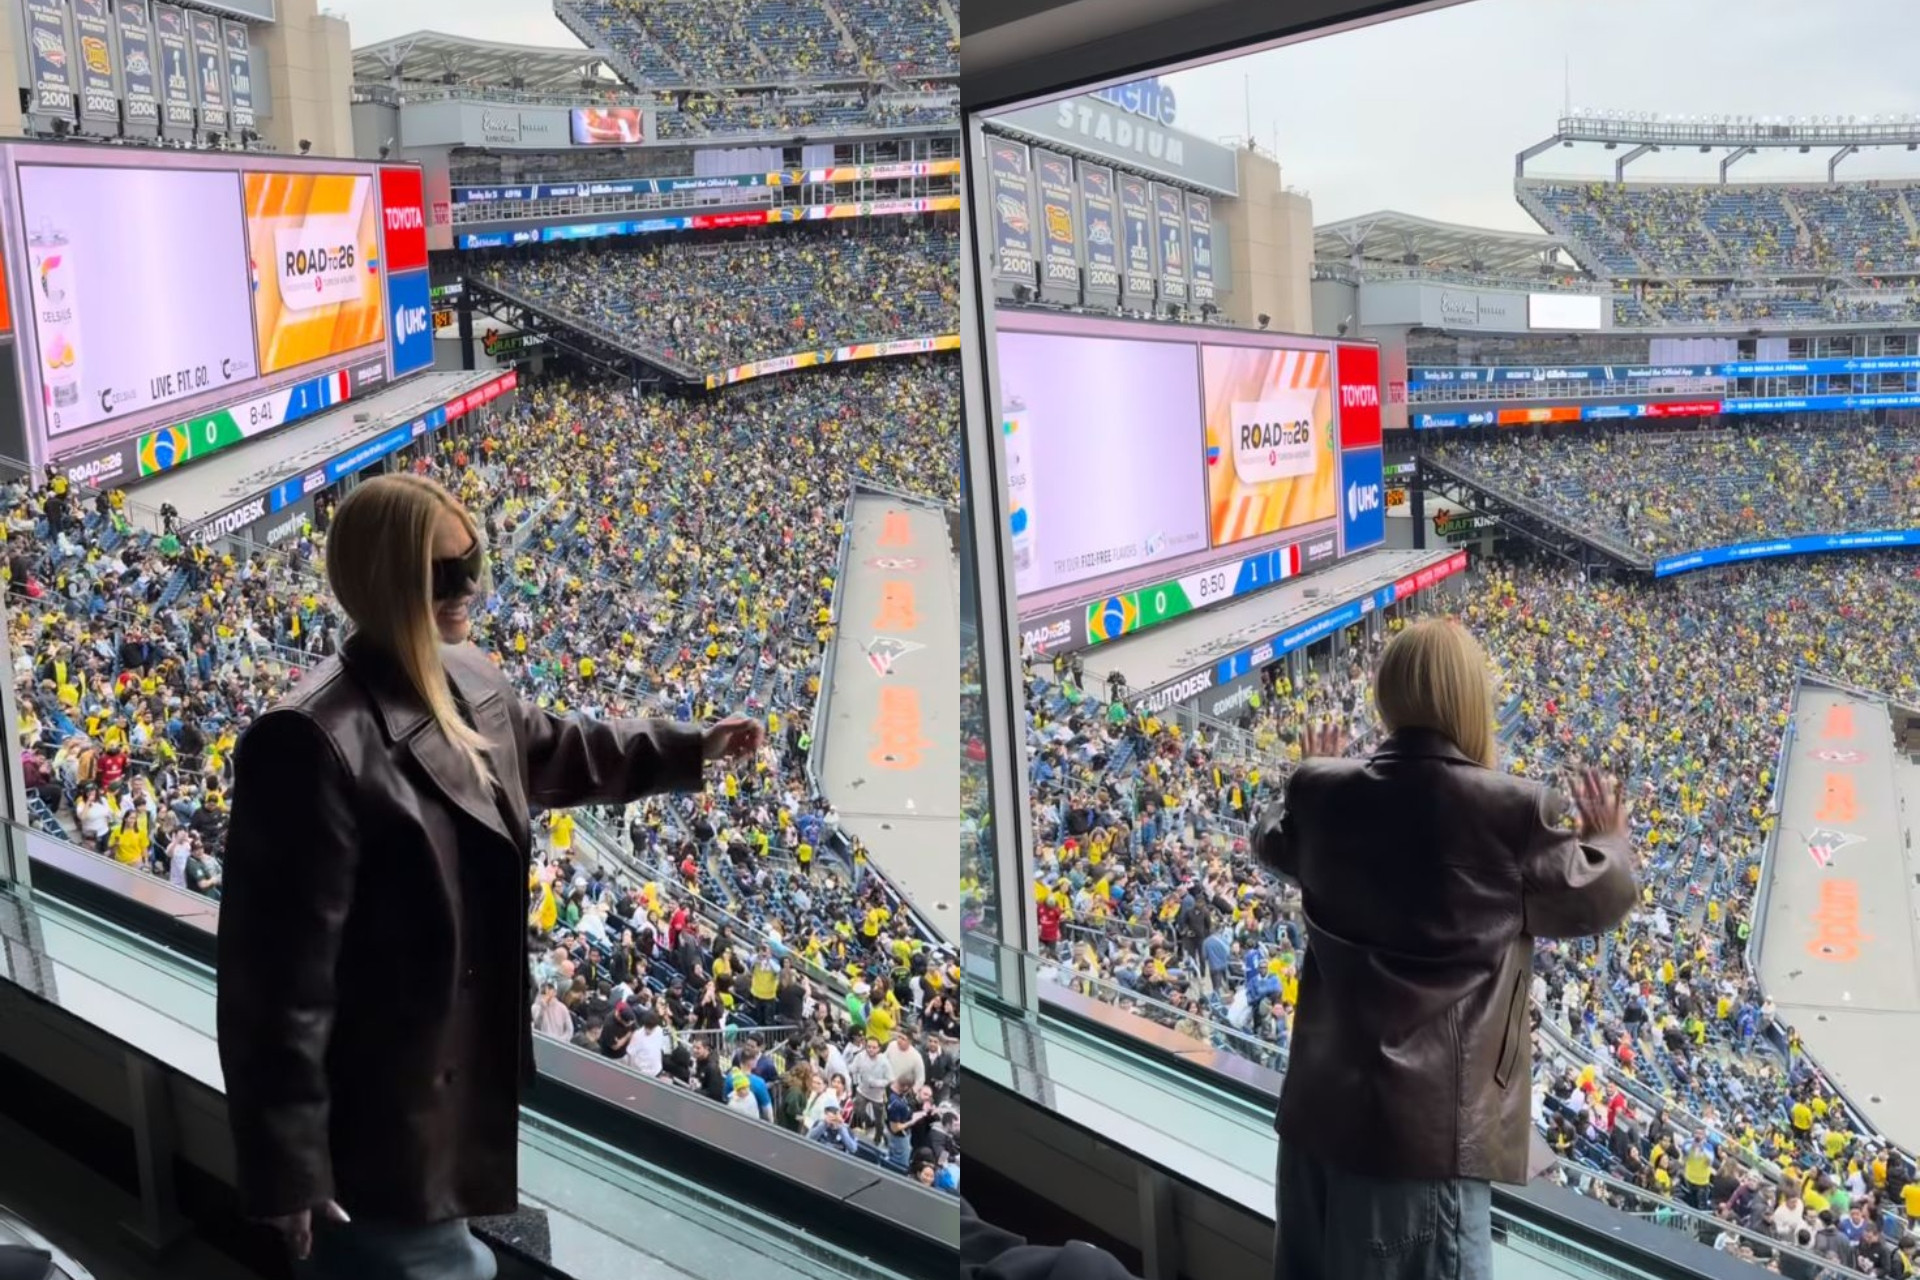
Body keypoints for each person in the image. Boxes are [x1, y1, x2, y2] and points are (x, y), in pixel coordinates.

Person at [214, 474, 763, 1276]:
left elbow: (556, 749)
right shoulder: (307, 742)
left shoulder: (468, 674)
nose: (469, 587)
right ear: (382, 577)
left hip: (447, 1094)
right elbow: (275, 984)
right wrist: (290, 1166)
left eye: (473, 562)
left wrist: (689, 746)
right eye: (444, 572)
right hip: (380, 1117)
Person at [1257, 618, 1636, 1280]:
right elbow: (1601, 895)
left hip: (1314, 1127)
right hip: (1420, 1149)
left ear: (1387, 696)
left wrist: (1311, 771)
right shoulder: (1507, 812)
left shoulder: (1322, 792)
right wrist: (1611, 838)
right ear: (1469, 699)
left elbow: (1271, 839)